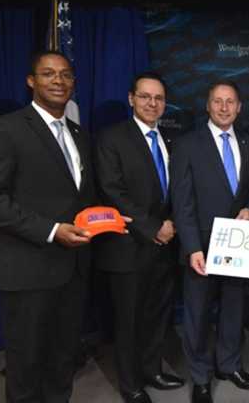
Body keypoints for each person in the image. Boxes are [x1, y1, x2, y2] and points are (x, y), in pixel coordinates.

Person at [0, 50, 97, 402]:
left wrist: (109, 218)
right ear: (31, 81)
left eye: (66, 74)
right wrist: (53, 230)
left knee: (61, 362)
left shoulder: (79, 134)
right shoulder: (2, 129)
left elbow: (77, 198)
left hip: (72, 271)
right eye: (48, 74)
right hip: (28, 270)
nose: (59, 81)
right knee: (25, 368)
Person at [170, 80, 249, 403]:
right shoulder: (186, 145)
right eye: (217, 101)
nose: (224, 107)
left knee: (234, 309)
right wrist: (192, 246)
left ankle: (229, 365)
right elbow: (182, 203)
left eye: (230, 102)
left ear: (239, 107)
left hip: (238, 245)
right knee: (197, 313)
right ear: (208, 106)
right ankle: (200, 377)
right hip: (201, 247)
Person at [94, 72, 184, 403]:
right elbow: (112, 190)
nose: (152, 103)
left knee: (157, 314)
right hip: (128, 247)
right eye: (145, 96)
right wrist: (152, 228)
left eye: (159, 98)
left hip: (164, 247)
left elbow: (175, 190)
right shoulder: (111, 137)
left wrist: (173, 222)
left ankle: (152, 371)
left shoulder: (169, 139)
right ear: (131, 98)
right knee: (129, 320)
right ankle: (131, 385)